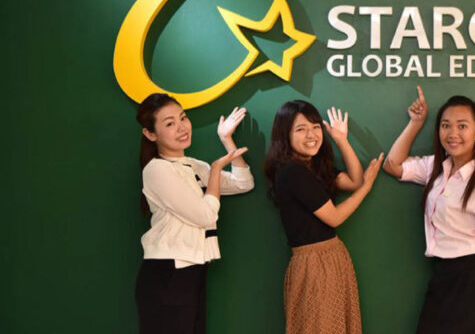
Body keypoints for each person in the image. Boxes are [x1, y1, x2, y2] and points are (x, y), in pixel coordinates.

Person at [383, 87, 475, 334]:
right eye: (445, 126)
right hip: (443, 275)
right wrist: (416, 123)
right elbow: (392, 165)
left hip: (472, 281)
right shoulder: (436, 167)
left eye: (462, 126)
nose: (453, 134)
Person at [134, 93, 254, 334]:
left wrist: (227, 139)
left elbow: (244, 182)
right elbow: (205, 216)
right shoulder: (157, 170)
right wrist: (217, 169)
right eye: (170, 123)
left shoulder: (195, 166)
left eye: (183, 118)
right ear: (150, 134)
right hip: (168, 272)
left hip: (192, 270)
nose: (182, 127)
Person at [264, 100, 383, 334]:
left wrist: (341, 140)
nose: (311, 135)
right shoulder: (291, 171)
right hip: (313, 265)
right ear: (285, 135)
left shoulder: (313, 165)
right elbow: (335, 217)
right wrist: (366, 188)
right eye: (301, 129)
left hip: (332, 257)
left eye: (315, 127)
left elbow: (354, 180)